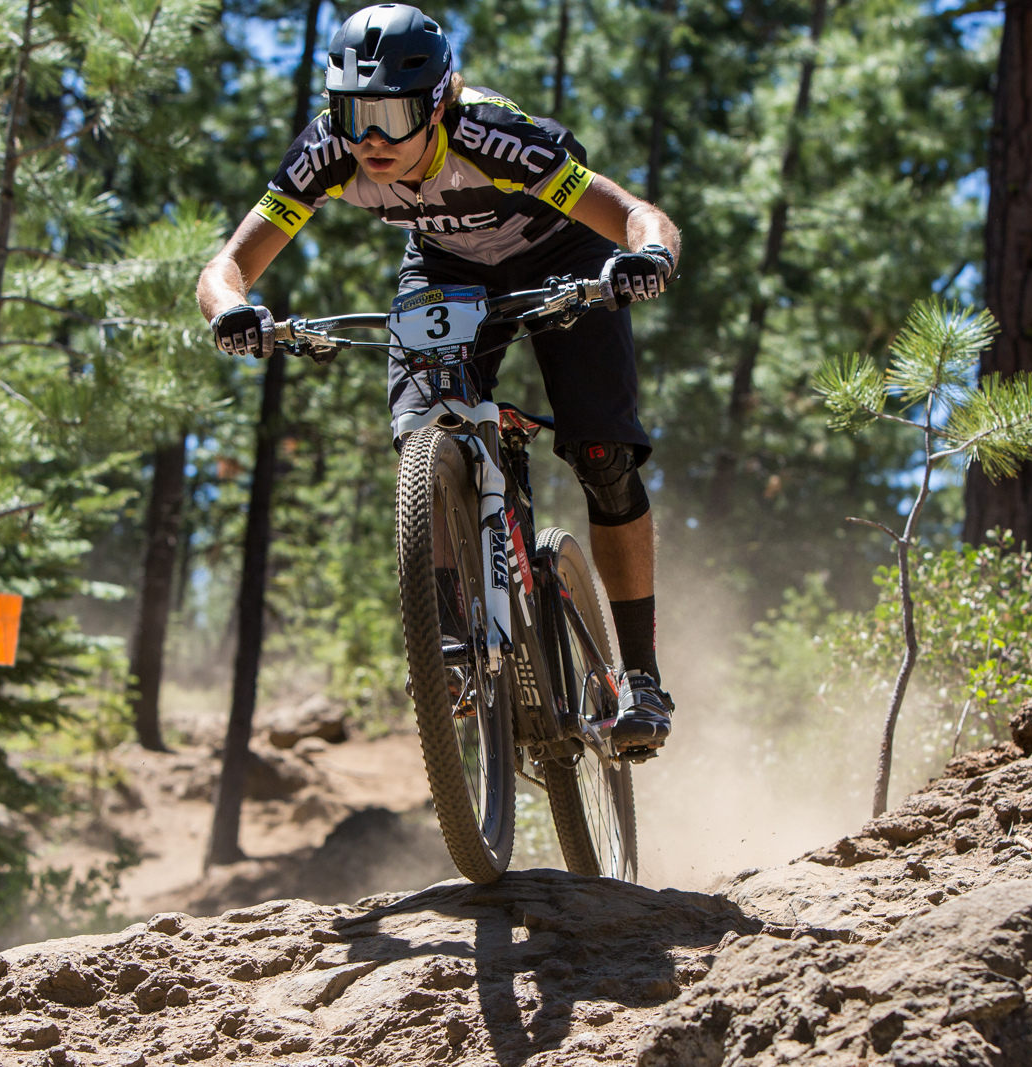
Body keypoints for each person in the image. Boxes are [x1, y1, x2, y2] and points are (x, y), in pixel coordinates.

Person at [196, 3, 679, 756]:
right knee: (425, 432)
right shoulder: (327, 152)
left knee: (602, 456)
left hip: (563, 255)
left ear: (439, 103)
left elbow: (635, 215)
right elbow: (227, 266)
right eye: (353, 113)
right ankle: (453, 644)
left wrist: (648, 258)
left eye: (392, 116)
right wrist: (231, 310)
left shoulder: (495, 138)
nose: (371, 139)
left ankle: (642, 677)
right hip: (448, 269)